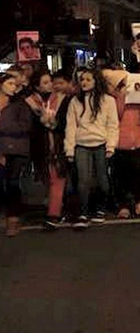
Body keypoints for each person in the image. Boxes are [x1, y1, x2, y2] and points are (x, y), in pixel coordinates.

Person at [64, 68, 119, 228]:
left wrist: (111, 146)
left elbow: (112, 125)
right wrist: (69, 148)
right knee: (83, 181)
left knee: (103, 181)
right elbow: (71, 126)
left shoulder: (108, 101)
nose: (84, 83)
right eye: (82, 80)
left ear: (96, 81)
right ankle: (83, 213)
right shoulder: (75, 101)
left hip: (101, 144)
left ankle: (100, 209)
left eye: (88, 79)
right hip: (82, 144)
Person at [104, 70, 140, 219]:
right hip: (119, 143)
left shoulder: (137, 102)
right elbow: (117, 115)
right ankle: (123, 205)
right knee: (121, 177)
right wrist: (121, 97)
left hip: (139, 142)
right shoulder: (111, 100)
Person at [26, 70, 73, 230]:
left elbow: (67, 122)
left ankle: (54, 214)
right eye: (45, 82)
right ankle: (57, 207)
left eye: (50, 81)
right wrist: (42, 121)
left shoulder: (61, 100)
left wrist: (53, 123)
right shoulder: (30, 103)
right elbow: (30, 128)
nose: (50, 85)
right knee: (48, 179)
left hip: (58, 145)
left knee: (57, 179)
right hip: (41, 147)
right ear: (37, 86)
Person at [0, 73, 34, 236]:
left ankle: (13, 219)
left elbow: (25, 126)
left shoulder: (20, 104)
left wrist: (4, 127)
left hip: (16, 149)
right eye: (10, 83)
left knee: (13, 182)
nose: (13, 87)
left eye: (15, 84)